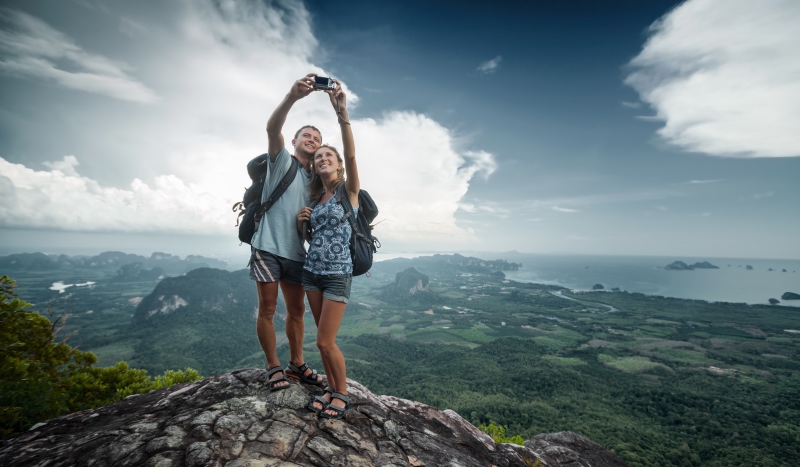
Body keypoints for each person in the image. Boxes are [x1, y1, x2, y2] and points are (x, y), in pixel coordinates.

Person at [250, 73, 325, 391]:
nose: (312, 139)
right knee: (267, 309)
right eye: (307, 135)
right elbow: (272, 128)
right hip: (267, 245)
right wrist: (292, 96)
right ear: (294, 141)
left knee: (297, 311)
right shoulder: (281, 161)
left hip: (296, 252)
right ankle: (273, 367)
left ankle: (296, 363)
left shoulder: (314, 182)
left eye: (317, 138)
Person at [296, 79, 358, 419]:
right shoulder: (315, 199)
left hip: (337, 275)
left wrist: (342, 113)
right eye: (317, 156)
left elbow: (351, 151)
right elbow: (315, 240)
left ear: (337, 164)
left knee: (325, 341)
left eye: (327, 155)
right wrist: (301, 222)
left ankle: (342, 394)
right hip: (312, 274)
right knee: (321, 338)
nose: (322, 158)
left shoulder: (348, 192)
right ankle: (331, 389)